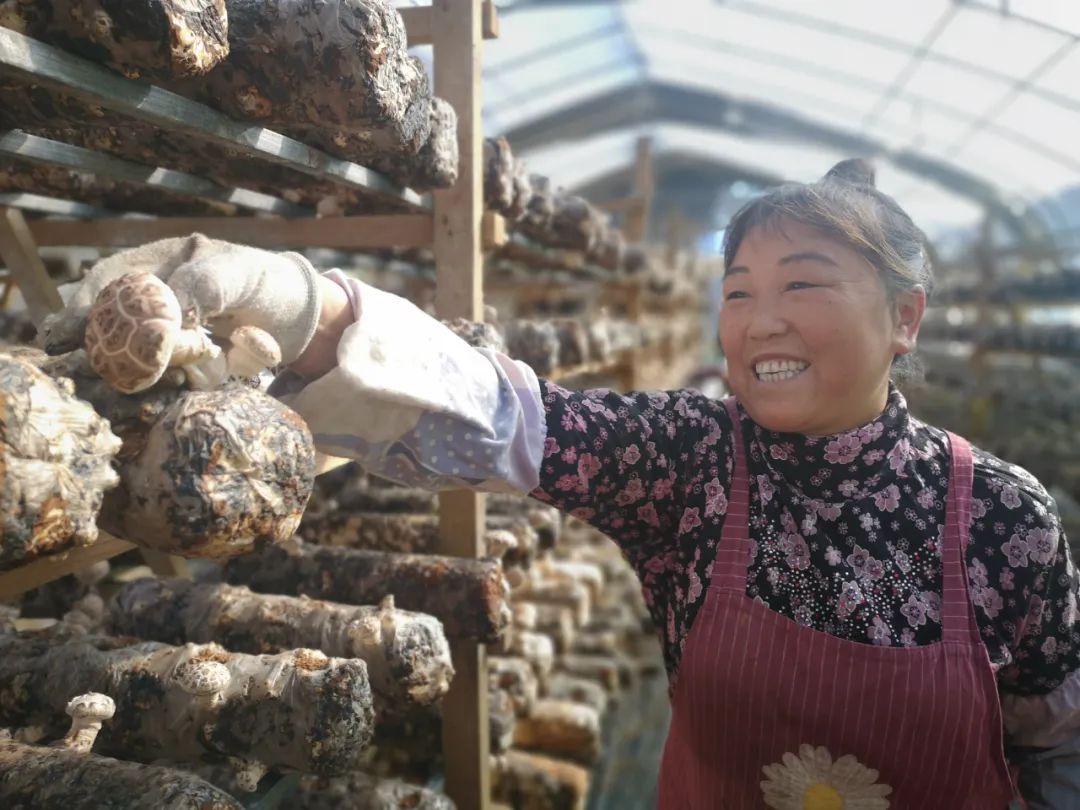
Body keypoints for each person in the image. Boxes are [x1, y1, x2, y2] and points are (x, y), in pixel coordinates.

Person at [50, 160, 1079, 808]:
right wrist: (301, 304)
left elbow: (1057, 746)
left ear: (907, 318)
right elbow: (502, 414)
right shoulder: (691, 461)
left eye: (803, 284)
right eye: (739, 292)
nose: (760, 320)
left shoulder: (999, 515)